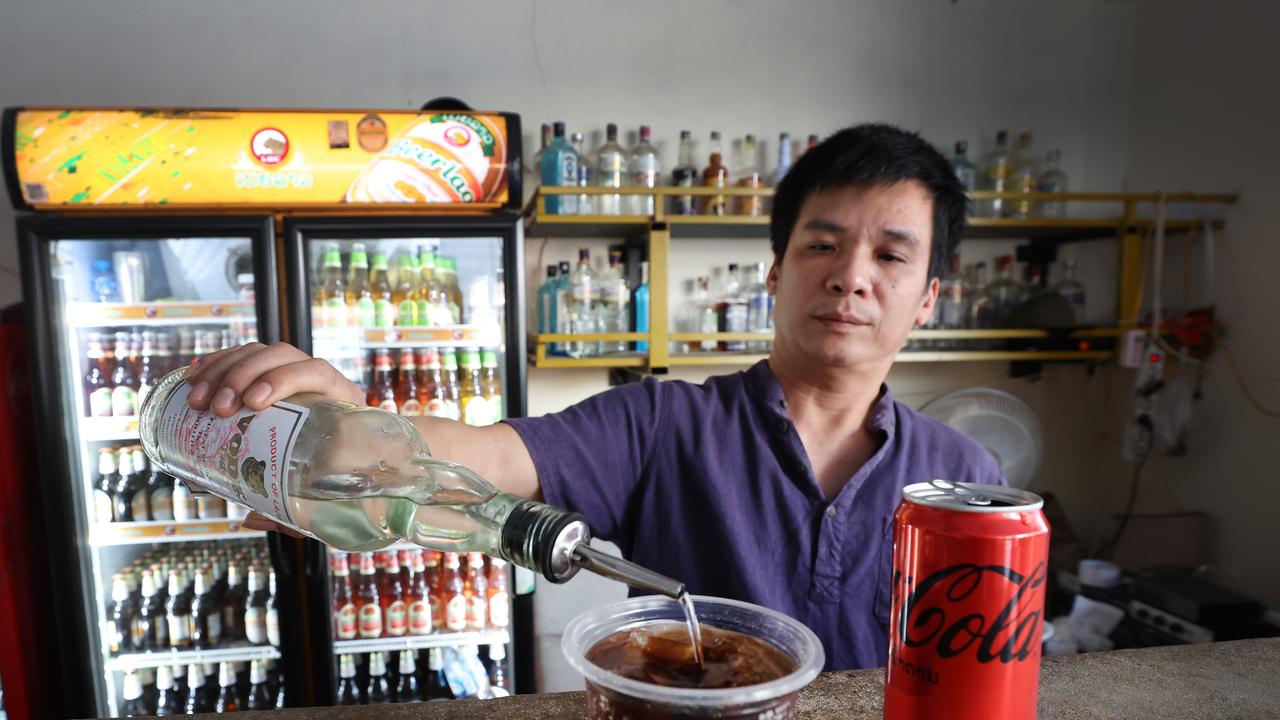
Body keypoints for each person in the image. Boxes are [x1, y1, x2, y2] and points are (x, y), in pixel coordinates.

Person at [184, 123, 1003, 671]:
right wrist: (346, 426)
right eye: (823, 243)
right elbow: (489, 460)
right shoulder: (663, 424)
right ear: (777, 271)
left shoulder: (968, 476)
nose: (851, 276)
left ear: (929, 296)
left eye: (891, 257)